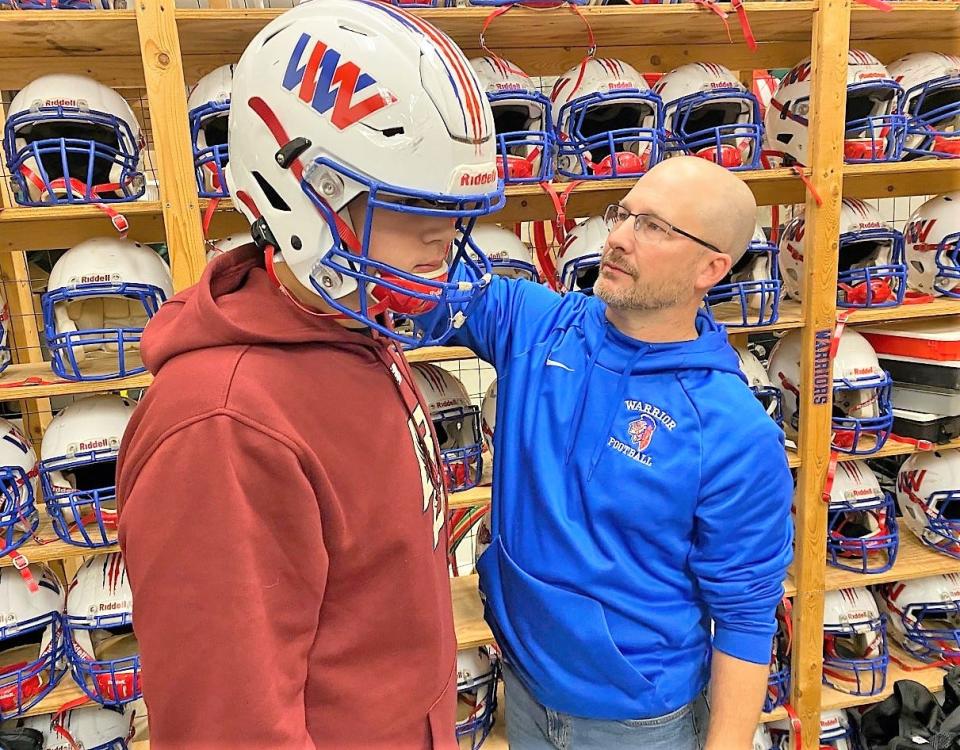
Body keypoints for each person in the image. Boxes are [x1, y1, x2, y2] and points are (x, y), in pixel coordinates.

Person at [115, 1, 503, 748]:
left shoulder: (352, 324)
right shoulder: (223, 427)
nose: (444, 237)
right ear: (302, 193)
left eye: (456, 211)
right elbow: (230, 728)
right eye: (414, 203)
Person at [424, 155, 794, 750]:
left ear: (711, 268)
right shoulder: (535, 324)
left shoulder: (733, 432)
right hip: (524, 688)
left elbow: (747, 617)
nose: (617, 238)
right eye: (623, 214)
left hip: (638, 725)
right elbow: (415, 292)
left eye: (654, 227)